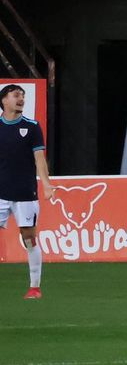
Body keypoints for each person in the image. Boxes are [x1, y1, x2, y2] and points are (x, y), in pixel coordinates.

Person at [0, 83, 54, 299]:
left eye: (22, 95)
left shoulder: (32, 127)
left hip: (25, 193)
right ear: (4, 100)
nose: (21, 99)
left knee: (29, 238)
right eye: (16, 95)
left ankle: (34, 287)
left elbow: (39, 159)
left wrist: (47, 184)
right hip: (1, 193)